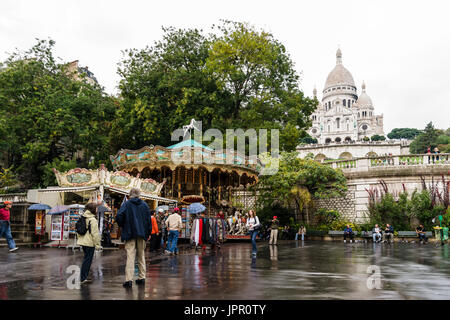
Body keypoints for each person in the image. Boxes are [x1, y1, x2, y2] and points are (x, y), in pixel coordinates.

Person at [116, 188, 152, 288]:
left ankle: (129, 280)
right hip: (142, 234)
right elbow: (148, 221)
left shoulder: (127, 204)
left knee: (130, 256)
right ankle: (142, 277)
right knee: (141, 256)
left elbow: (119, 216)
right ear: (139, 194)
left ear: (130, 195)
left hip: (129, 233)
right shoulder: (145, 205)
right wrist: (148, 233)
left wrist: (123, 224)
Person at [77, 202, 102, 284]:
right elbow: (95, 234)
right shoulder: (93, 220)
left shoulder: (84, 217)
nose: (97, 209)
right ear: (93, 209)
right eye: (96, 208)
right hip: (90, 243)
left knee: (86, 259)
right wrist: (98, 245)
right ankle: (83, 278)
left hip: (83, 242)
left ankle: (83, 277)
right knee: (87, 261)